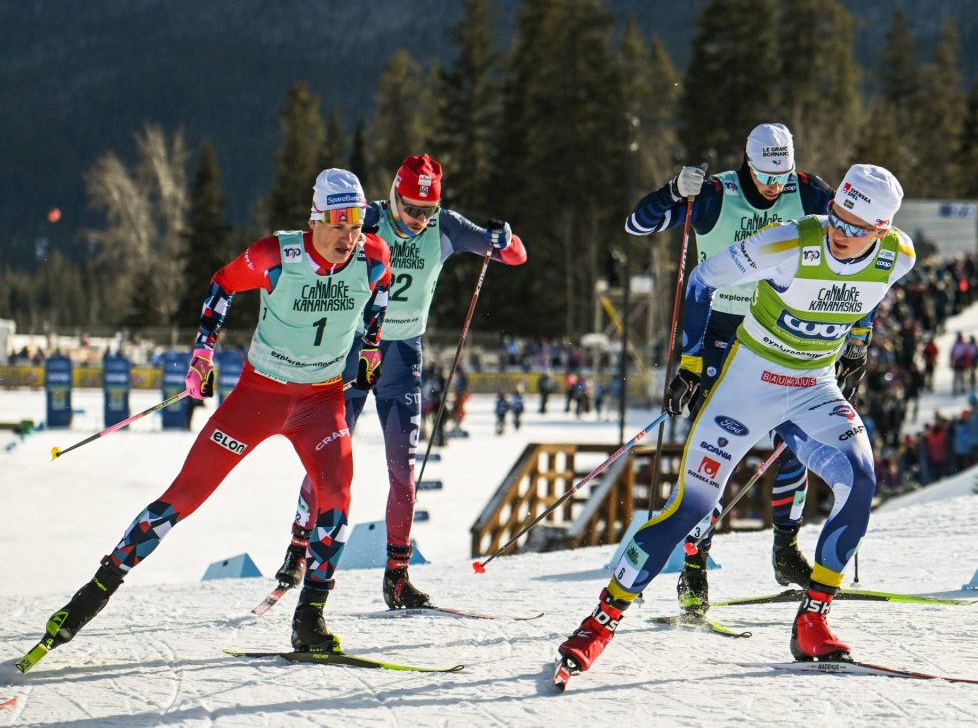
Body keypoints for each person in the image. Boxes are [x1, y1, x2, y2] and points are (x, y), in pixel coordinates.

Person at [558, 164, 914, 677]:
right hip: (749, 385)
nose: (840, 233)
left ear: (881, 230)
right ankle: (598, 623)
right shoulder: (790, 243)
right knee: (689, 507)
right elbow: (702, 281)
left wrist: (857, 340)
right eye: (836, 216)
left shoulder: (899, 254)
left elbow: (869, 292)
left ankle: (813, 620)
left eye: (857, 229)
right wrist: (692, 360)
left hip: (813, 386)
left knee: (860, 480)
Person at [29, 169, 391, 659]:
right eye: (338, 222)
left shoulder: (373, 256)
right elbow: (221, 285)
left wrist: (370, 347)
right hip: (258, 397)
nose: (349, 236)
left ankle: (310, 618)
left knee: (338, 496)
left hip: (320, 402)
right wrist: (202, 354)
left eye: (357, 223)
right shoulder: (275, 256)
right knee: (184, 495)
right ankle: (90, 596)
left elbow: (381, 293)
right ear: (315, 219)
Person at [273, 154, 527, 609]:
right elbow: (316, 242)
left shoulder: (445, 226)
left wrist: (502, 238)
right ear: (393, 194)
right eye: (410, 209)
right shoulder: (366, 218)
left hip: (403, 355)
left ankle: (397, 575)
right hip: (353, 351)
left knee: (402, 472)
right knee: (326, 456)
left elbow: (516, 255)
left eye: (427, 211)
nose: (418, 220)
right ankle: (298, 546)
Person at [625, 123, 852, 616]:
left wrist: (852, 335)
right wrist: (670, 193)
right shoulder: (714, 195)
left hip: (781, 329)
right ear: (748, 163)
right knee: (713, 450)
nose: (775, 187)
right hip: (719, 331)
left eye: (782, 175)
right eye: (767, 175)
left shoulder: (810, 191)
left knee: (795, 441)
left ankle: (786, 549)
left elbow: (852, 243)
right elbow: (636, 227)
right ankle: (693, 566)